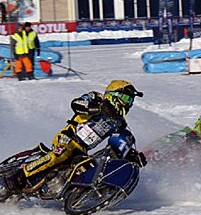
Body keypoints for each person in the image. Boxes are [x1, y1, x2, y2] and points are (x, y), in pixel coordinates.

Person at [5, 80, 145, 192]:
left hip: (82, 150)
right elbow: (76, 104)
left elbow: (119, 141)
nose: (129, 104)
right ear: (115, 95)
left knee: (90, 168)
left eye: (131, 101)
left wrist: (131, 155)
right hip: (69, 138)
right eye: (127, 98)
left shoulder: (119, 123)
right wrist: (96, 108)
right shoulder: (96, 98)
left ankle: (73, 193)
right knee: (61, 154)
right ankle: (20, 175)